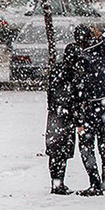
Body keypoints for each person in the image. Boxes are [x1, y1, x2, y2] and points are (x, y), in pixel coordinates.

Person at [45, 24, 88, 195]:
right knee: (62, 151)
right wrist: (79, 120)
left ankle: (55, 182)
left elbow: (50, 91)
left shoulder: (57, 69)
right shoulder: (75, 73)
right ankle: (58, 183)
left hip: (55, 113)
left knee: (55, 151)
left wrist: (53, 107)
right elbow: (76, 98)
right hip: (66, 115)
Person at [77, 26, 105, 196]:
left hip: (89, 104)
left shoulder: (82, 55)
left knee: (86, 144)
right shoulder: (104, 50)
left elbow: (78, 81)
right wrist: (101, 36)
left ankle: (95, 182)